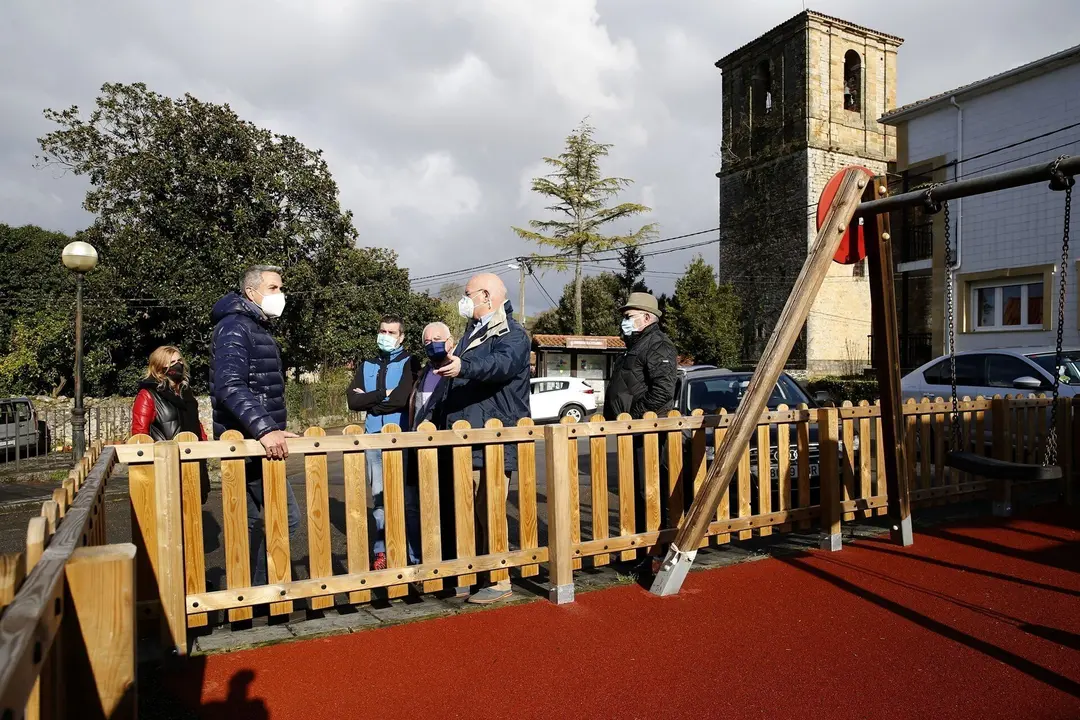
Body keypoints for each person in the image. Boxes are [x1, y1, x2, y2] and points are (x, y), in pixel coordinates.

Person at [434, 273, 530, 604]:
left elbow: (500, 364)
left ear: (486, 296)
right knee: (472, 510)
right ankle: (476, 573)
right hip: (468, 435)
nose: (464, 299)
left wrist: (463, 366)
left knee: (490, 509)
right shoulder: (472, 332)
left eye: (468, 294)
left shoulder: (512, 333)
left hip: (494, 436)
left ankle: (500, 579)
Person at [209, 264, 301, 587]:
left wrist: (269, 426)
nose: (280, 294)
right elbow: (230, 385)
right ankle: (261, 593)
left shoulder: (255, 326)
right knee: (286, 519)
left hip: (255, 442)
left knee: (250, 523)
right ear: (251, 293)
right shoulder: (236, 327)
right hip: (250, 443)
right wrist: (265, 428)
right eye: (274, 288)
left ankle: (247, 594)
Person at [347, 314, 422, 570]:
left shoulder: (410, 361)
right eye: (382, 331)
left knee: (409, 500)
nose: (386, 336)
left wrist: (369, 399)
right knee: (379, 501)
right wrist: (382, 395)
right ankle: (381, 553)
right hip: (373, 440)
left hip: (401, 438)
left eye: (391, 333)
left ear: (401, 337)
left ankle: (415, 554)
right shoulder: (366, 364)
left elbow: (402, 398)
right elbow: (352, 401)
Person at [603, 292, 678, 541]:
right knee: (633, 489)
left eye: (629, 316)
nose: (624, 321)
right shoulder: (634, 346)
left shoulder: (657, 344)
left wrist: (633, 417)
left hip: (647, 432)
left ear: (647, 317)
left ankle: (655, 544)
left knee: (650, 489)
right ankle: (638, 543)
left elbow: (663, 391)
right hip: (631, 431)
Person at [131, 345, 210, 502]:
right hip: (165, 464)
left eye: (179, 360)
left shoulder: (186, 393)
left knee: (192, 514)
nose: (178, 364)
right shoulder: (148, 394)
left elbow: (196, 423)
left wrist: (205, 446)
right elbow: (140, 434)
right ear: (159, 367)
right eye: (171, 362)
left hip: (194, 461)